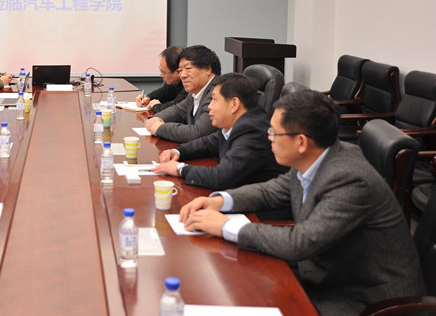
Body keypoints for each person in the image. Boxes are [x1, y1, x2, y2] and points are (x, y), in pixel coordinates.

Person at [179, 90, 425, 315]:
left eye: (274, 132)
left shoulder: (349, 179)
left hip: (364, 298)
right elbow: (272, 191)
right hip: (326, 270)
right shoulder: (318, 156)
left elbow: (301, 242)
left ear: (301, 142)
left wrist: (224, 226)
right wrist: (220, 201)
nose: (268, 138)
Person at [152, 73, 286, 190]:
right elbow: (208, 143)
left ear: (234, 104)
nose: (210, 106)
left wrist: (180, 169)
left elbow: (221, 177)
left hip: (260, 208)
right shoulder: (238, 124)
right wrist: (177, 151)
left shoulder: (252, 131)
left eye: (214, 100)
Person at [145, 45, 220, 143]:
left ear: (208, 69)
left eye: (188, 68)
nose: (182, 75)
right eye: (180, 71)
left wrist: (160, 128)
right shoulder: (196, 91)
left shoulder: (218, 93)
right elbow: (178, 110)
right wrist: (156, 118)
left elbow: (197, 133)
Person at [136, 46, 187, 112]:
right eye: (161, 71)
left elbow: (176, 108)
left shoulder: (188, 84)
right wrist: (148, 98)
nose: (161, 75)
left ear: (178, 72)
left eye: (164, 72)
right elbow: (163, 93)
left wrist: (156, 106)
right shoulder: (175, 82)